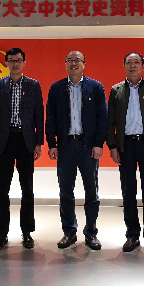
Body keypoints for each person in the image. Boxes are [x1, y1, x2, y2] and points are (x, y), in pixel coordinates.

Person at [46, 50, 107, 250]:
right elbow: (50, 118)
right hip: (65, 146)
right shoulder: (56, 88)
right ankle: (69, 232)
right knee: (65, 191)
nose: (74, 63)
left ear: (84, 64)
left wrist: (99, 143)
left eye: (78, 60)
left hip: (87, 146)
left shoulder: (95, 87)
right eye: (70, 60)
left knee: (91, 191)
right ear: (65, 63)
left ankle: (91, 233)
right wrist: (52, 144)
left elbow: (102, 117)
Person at [107, 52, 144, 256]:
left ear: (143, 66)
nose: (133, 66)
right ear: (124, 66)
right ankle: (132, 234)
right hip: (125, 146)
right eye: (129, 62)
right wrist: (112, 146)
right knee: (128, 191)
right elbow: (110, 121)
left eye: (136, 62)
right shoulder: (116, 91)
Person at [0, 48, 44, 250]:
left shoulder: (33, 85)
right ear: (7, 63)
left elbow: (39, 115)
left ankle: (27, 232)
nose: (15, 64)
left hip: (26, 140)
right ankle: (2, 233)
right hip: (4, 140)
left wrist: (38, 143)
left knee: (27, 188)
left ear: (24, 62)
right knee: (2, 189)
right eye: (11, 60)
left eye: (19, 60)